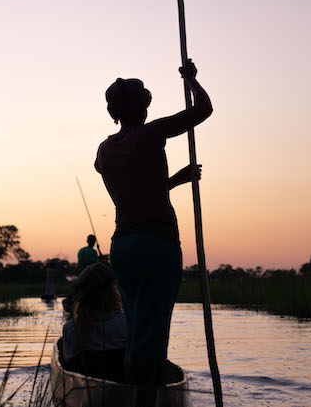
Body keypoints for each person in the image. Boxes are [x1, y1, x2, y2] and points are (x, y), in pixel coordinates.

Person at [94, 60, 212, 386]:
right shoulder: (152, 133)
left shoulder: (104, 150)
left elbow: (133, 186)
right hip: (156, 245)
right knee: (153, 335)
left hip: (123, 248)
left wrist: (175, 180)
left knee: (137, 331)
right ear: (141, 109)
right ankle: (143, 399)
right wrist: (191, 79)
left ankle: (135, 396)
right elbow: (203, 109)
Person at [62, 262, 127, 382]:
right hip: (122, 388)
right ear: (112, 292)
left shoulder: (70, 328)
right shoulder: (127, 323)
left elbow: (68, 364)